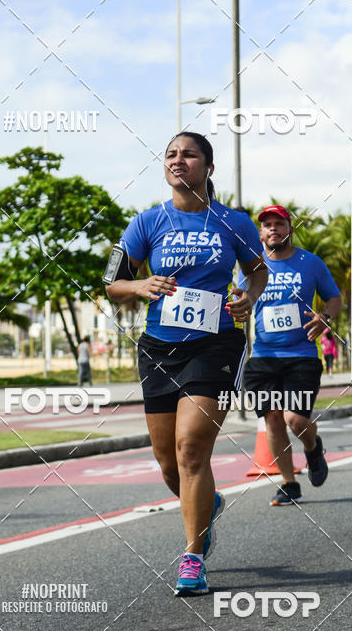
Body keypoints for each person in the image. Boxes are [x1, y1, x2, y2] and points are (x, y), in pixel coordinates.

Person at [103, 132, 268, 596]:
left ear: (208, 168)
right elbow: (112, 282)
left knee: (191, 449)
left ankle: (192, 558)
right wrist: (139, 286)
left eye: (189, 154)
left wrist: (248, 298)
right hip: (158, 347)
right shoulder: (147, 222)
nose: (179, 160)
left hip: (214, 345)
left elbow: (257, 270)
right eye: (171, 154)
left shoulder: (233, 222)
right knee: (168, 465)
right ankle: (208, 503)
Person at [242, 204, 342, 506]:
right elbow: (239, 300)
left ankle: (313, 447)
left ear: (290, 230)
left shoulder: (310, 263)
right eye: (267, 225)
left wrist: (325, 316)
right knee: (272, 420)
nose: (273, 229)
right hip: (263, 356)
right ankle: (289, 484)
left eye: (279, 224)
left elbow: (334, 298)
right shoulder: (251, 268)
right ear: (261, 233)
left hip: (301, 354)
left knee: (295, 419)